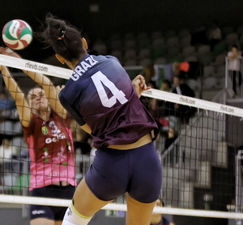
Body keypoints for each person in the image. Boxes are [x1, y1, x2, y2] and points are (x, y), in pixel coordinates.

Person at [39, 15, 161, 225]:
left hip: (112, 166)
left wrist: (132, 94)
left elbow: (97, 128)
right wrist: (133, 93)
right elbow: (117, 105)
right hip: (146, 160)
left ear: (60, 58)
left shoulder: (68, 95)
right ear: (84, 43)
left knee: (73, 220)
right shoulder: (111, 61)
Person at [0, 47, 76, 225]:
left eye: (41, 95)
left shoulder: (62, 117)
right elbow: (19, 97)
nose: (38, 96)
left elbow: (47, 85)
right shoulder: (31, 123)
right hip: (42, 189)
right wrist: (5, 69)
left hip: (68, 190)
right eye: (33, 97)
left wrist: (20, 61)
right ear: (30, 105)